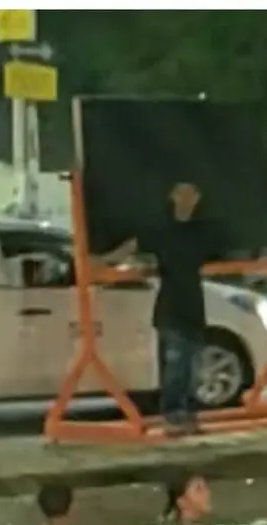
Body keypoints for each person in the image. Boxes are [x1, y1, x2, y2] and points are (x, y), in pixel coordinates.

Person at [102, 182, 221, 436]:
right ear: (173, 196)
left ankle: (187, 415)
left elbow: (225, 251)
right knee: (176, 366)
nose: (186, 198)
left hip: (193, 307)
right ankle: (172, 414)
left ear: (197, 198)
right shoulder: (162, 230)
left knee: (192, 367)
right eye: (181, 192)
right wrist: (106, 261)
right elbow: (134, 245)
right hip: (170, 308)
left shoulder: (201, 232)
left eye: (191, 193)